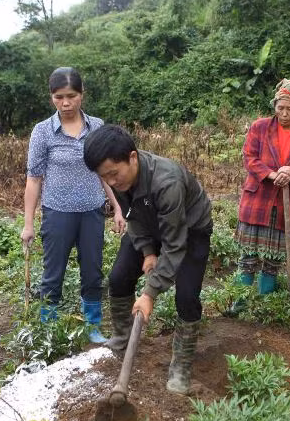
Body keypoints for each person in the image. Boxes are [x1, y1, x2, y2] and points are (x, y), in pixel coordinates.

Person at [84, 124, 213, 395]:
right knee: (119, 277)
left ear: (132, 157)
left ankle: (181, 366)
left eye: (114, 174)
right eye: (105, 177)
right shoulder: (120, 178)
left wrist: (150, 293)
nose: (112, 182)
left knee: (186, 296)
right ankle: (121, 338)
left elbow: (175, 244)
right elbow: (133, 217)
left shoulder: (167, 182)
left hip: (189, 229)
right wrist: (147, 252)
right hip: (149, 224)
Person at [21, 67, 124, 343]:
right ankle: (48, 328)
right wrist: (28, 224)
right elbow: (34, 179)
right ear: (51, 97)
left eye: (71, 96)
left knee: (93, 271)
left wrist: (116, 207)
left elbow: (106, 173)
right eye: (59, 97)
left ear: (82, 95)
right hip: (57, 212)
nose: (65, 103)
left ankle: (92, 325)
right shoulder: (43, 131)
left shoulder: (96, 127)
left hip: (91, 211)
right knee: (52, 274)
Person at [232, 78, 290, 304]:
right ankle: (240, 302)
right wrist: (272, 174)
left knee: (273, 258)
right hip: (257, 200)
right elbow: (249, 158)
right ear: (274, 106)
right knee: (248, 256)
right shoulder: (260, 127)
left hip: (284, 204)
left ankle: (265, 303)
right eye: (280, 108)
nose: (285, 113)